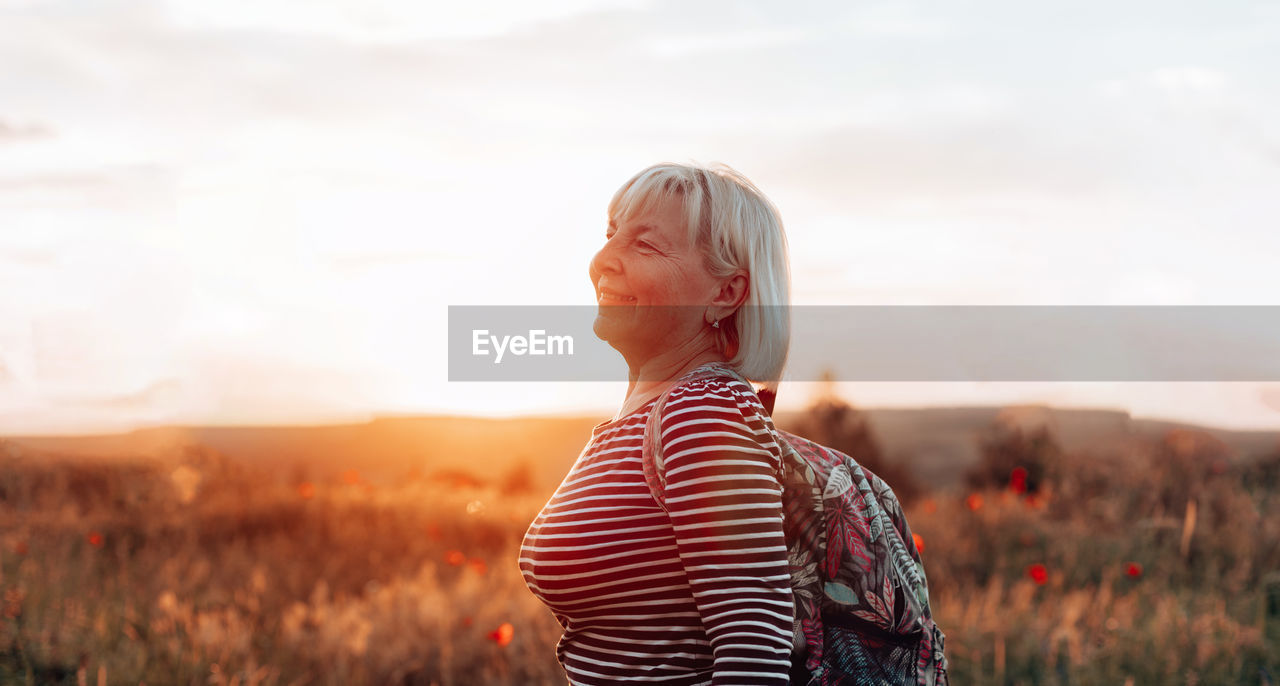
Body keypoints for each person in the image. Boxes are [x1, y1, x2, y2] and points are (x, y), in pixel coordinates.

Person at [519, 162, 795, 684]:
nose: (601, 260)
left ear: (725, 293)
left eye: (645, 245)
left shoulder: (701, 414)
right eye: (610, 235)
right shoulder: (654, 415)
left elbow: (754, 652)